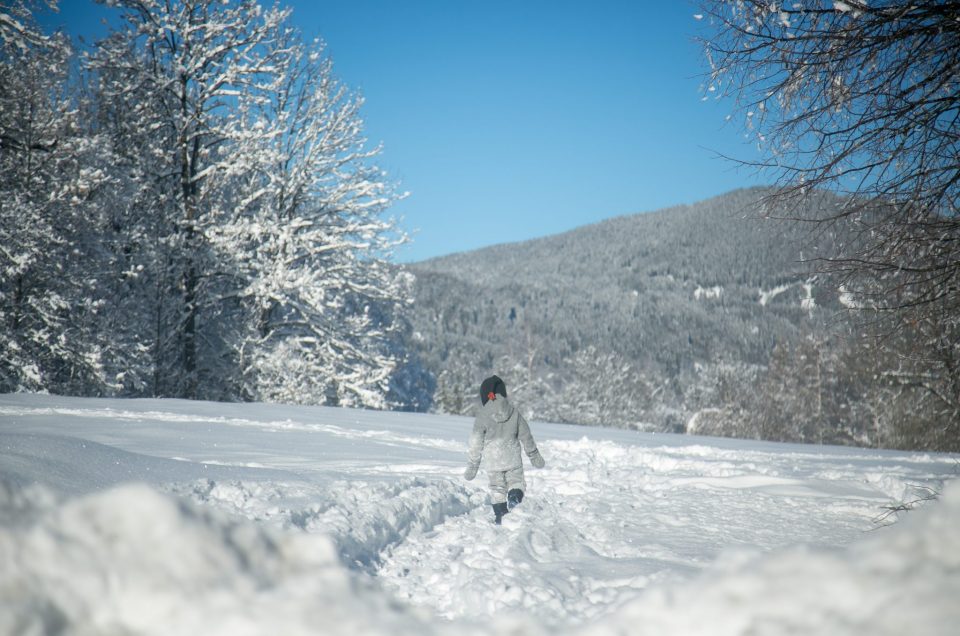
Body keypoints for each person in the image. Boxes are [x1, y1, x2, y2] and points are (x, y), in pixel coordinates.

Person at [463, 375, 545, 524]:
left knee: (497, 489)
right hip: (512, 456)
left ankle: (501, 515)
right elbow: (526, 436)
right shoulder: (514, 413)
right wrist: (533, 455)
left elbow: (476, 442)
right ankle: (514, 497)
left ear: (484, 395)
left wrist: (473, 465)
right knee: (516, 482)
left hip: (493, 459)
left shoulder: (482, 416)